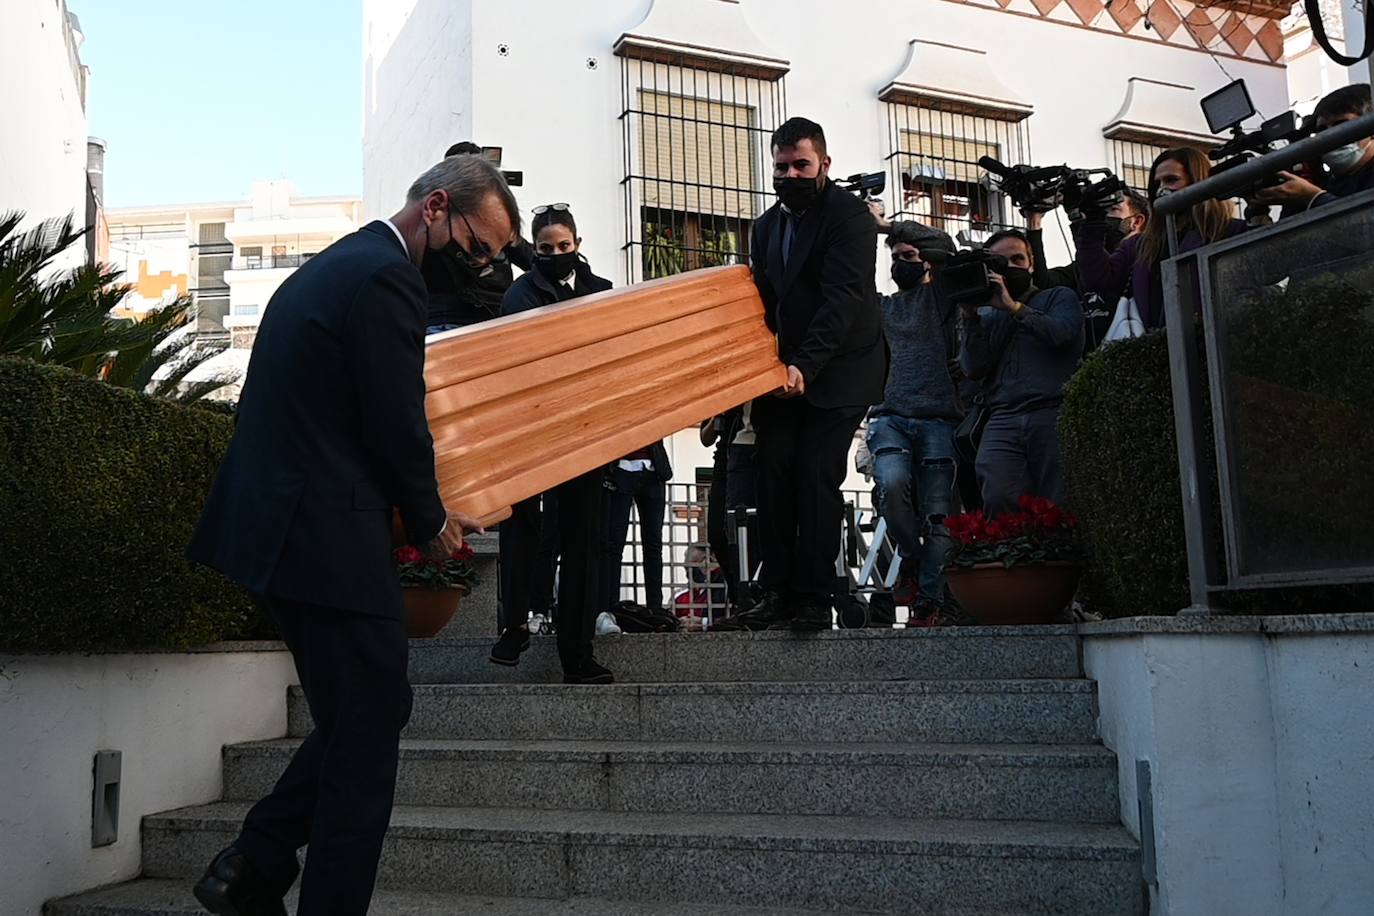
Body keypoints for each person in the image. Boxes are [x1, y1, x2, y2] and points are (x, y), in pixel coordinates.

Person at [185, 155, 515, 916]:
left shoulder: (346, 264)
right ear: (435, 208)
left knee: (364, 714)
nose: (482, 268)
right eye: (477, 247)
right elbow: (393, 420)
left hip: (289, 535)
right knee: (366, 743)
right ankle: (275, 878)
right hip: (325, 539)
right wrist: (430, 523)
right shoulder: (385, 278)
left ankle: (253, 863)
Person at [714, 116, 886, 632]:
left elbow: (843, 298)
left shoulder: (850, 216)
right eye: (781, 167)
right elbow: (763, 304)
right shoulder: (765, 227)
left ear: (824, 164)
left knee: (815, 473)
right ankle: (776, 591)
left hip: (842, 369)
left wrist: (803, 366)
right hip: (782, 373)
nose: (790, 174)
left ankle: (813, 595)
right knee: (772, 470)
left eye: (800, 165)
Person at [489, 203, 616, 684]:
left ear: (578, 245)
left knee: (583, 541)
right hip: (531, 431)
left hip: (583, 432)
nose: (557, 254)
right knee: (523, 531)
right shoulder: (519, 295)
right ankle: (516, 623)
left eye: (564, 247)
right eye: (546, 249)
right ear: (535, 251)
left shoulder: (600, 291)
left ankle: (577, 654)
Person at [864, 219, 962, 624]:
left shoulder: (941, 298)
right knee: (890, 484)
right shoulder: (883, 307)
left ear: (926, 264)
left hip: (940, 419)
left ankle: (929, 601)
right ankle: (913, 559)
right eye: (893, 258)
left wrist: (886, 226)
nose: (898, 264)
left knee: (940, 515)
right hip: (890, 417)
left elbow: (943, 243)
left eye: (907, 257)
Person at [960, 229, 1083, 516]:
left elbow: (1062, 334)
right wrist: (969, 319)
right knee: (998, 495)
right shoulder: (988, 314)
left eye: (1017, 259)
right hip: (1003, 416)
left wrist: (1015, 308)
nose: (1011, 267)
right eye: (1001, 262)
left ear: (1031, 264)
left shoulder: (1058, 297)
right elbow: (972, 368)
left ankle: (1058, 559)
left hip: (1052, 411)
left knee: (1058, 501)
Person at [1075, 148, 1244, 329]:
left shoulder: (1230, 231)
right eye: (1157, 184)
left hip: (1216, 342)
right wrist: (1092, 222)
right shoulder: (1140, 245)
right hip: (1159, 347)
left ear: (1197, 180)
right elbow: (1099, 281)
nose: (1162, 189)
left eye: (1172, 180)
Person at [423, 141, 536, 334]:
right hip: (447, 321)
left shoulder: (496, 226)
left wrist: (504, 230)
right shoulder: (436, 221)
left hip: (497, 318)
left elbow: (534, 262)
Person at [1258, 84, 1374, 211]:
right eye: (1322, 130)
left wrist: (1314, 198)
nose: (1330, 136)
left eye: (1341, 125)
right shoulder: (1324, 183)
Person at [603, 439, 672, 613]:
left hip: (651, 469)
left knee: (652, 544)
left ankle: (654, 607)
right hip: (622, 468)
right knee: (616, 542)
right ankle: (610, 606)